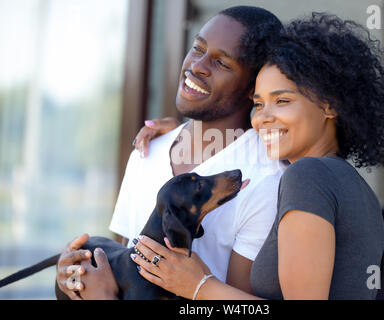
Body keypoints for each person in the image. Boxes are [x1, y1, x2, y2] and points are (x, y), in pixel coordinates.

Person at [129, 13, 384, 299]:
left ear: (330, 106)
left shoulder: (308, 176)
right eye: (259, 104)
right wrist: (186, 133)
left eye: (282, 101)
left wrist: (200, 287)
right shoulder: (356, 189)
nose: (263, 118)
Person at [55, 6, 286, 300]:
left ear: (253, 87)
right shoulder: (147, 150)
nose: (197, 66)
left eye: (222, 63)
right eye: (198, 48)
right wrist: (75, 274)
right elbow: (121, 269)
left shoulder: (266, 179)